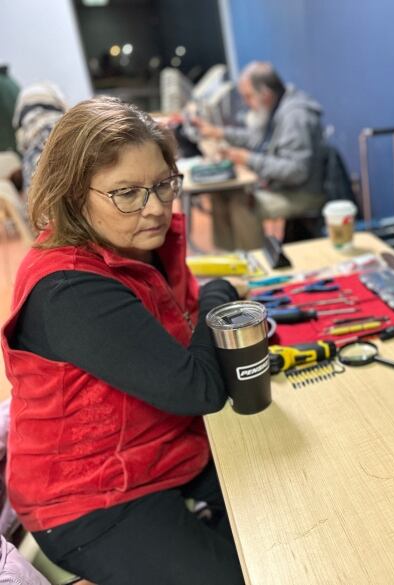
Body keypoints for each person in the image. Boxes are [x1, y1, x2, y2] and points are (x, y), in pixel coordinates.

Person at [0, 96, 246, 584]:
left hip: (161, 449)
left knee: (283, 523)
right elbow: (199, 388)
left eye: (162, 185)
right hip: (85, 498)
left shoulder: (139, 240)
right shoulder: (69, 287)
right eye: (127, 192)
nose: (154, 207)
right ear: (73, 194)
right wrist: (223, 295)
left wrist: (208, 310)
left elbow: (188, 317)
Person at [194, 61, 325, 244]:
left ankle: (255, 264)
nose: (246, 104)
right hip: (281, 187)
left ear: (266, 95)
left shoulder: (295, 116)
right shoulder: (275, 108)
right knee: (221, 196)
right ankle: (230, 258)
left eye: (248, 97)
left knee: (244, 206)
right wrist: (219, 133)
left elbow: (297, 171)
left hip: (302, 193)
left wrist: (247, 159)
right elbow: (255, 138)